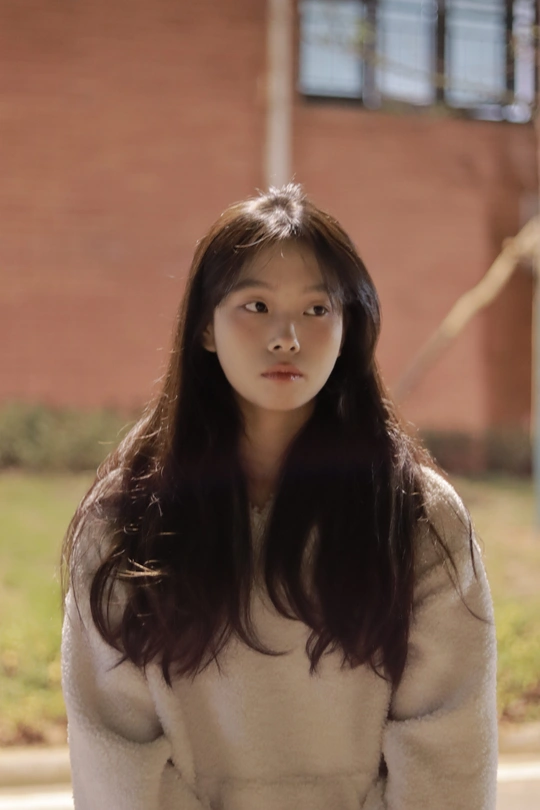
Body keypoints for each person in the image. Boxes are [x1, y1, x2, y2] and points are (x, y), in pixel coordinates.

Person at [61, 183, 498, 810]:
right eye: (257, 305)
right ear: (205, 328)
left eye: (317, 309)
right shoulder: (127, 520)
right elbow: (114, 756)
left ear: (348, 329)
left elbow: (448, 750)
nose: (287, 336)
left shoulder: (415, 516)